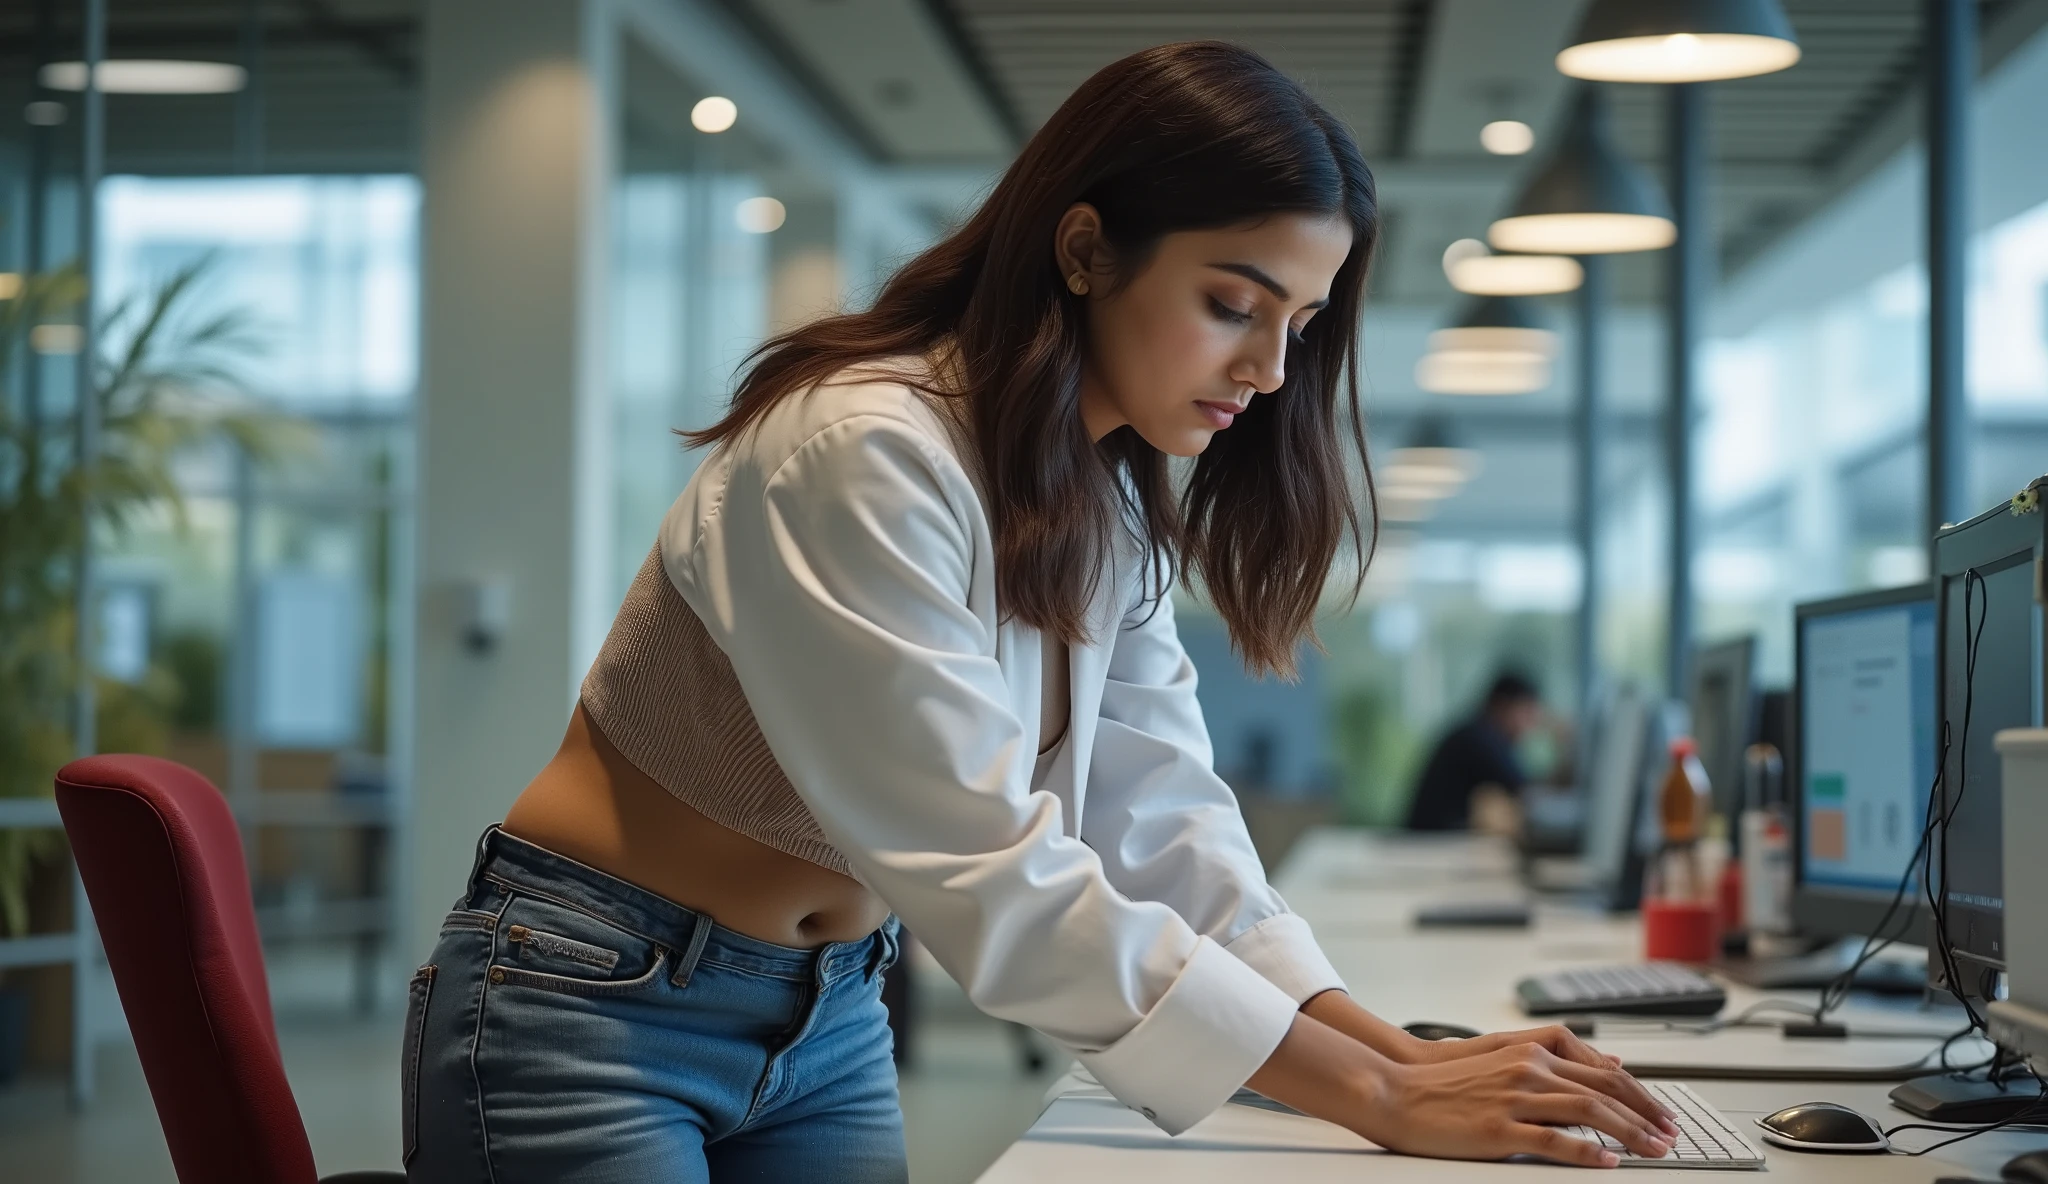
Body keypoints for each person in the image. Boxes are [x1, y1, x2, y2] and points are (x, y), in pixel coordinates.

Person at [405, 42, 1679, 1183]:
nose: (1271, 368)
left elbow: (1159, 817)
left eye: (1298, 321)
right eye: (1232, 304)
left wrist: (1396, 1052)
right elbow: (984, 861)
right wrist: (1382, 1092)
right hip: (594, 998)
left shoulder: (1105, 499)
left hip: (831, 1008)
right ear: (1082, 250)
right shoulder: (859, 448)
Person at [1406, 672, 1545, 833]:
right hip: (1431, 840)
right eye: (1526, 713)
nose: (1531, 725)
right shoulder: (1479, 738)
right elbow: (1525, 791)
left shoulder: (1478, 733)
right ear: (1502, 705)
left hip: (1435, 835)